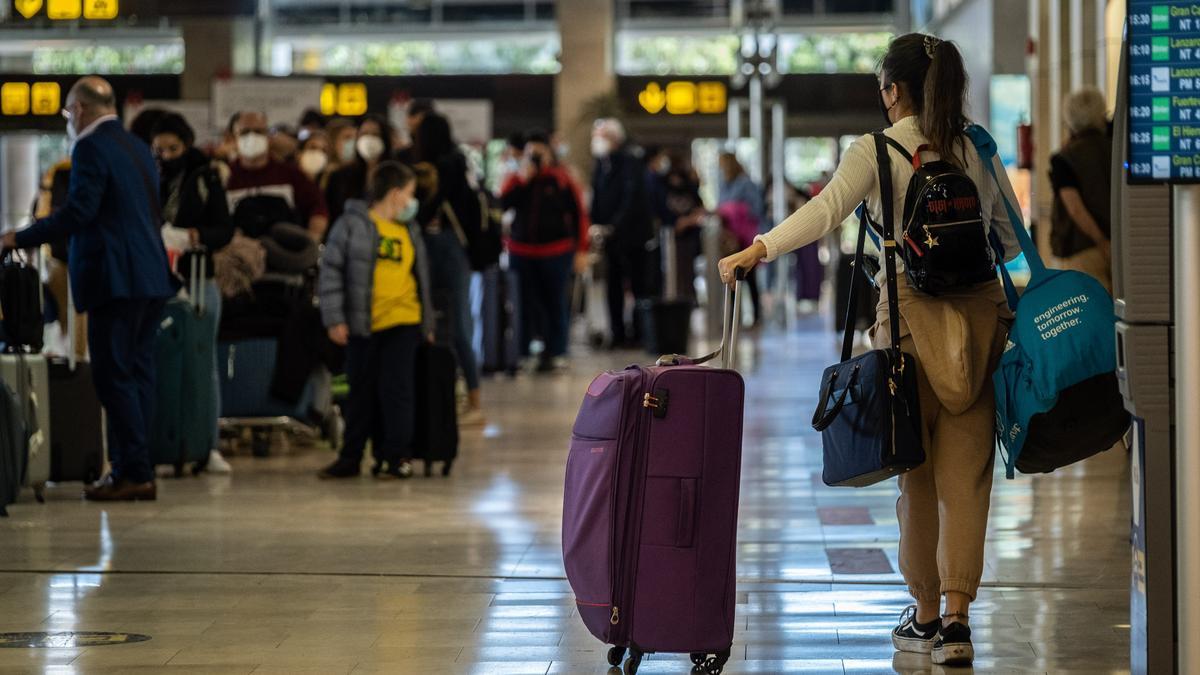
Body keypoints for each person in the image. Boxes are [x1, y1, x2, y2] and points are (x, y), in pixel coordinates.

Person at [718, 34, 1021, 668]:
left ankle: (926, 615)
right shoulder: (977, 147)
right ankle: (960, 624)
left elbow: (826, 212)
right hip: (981, 320)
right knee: (966, 482)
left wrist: (757, 251)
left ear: (893, 90)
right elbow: (1007, 239)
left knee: (916, 476)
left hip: (910, 325)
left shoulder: (879, 150)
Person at [1, 77, 176, 502]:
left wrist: (17, 238)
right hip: (150, 276)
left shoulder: (90, 147)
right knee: (138, 374)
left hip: (115, 278)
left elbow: (80, 211)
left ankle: (131, 471)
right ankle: (136, 467)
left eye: (67, 113)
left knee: (114, 376)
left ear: (78, 109)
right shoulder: (137, 146)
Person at [317, 161, 435, 480]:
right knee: (360, 392)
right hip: (362, 324)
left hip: (404, 320)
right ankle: (351, 456)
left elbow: (421, 278)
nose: (412, 201)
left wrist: (427, 325)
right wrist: (334, 319)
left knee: (398, 392)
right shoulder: (352, 224)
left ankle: (396, 456)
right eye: (410, 193)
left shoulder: (409, 229)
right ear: (395, 193)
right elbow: (331, 274)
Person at [151, 112, 236, 475]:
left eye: (173, 148)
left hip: (199, 279)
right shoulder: (150, 179)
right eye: (159, 149)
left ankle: (206, 443)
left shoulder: (205, 178)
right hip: (159, 281)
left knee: (204, 364)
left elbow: (224, 230)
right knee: (162, 363)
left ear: (186, 146)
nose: (166, 155)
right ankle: (165, 441)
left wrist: (192, 237)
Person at [411, 113, 486, 422]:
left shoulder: (446, 165)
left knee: (455, 325)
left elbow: (435, 203)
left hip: (444, 247)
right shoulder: (460, 160)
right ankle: (466, 396)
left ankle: (473, 400)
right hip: (455, 250)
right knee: (454, 323)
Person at [500, 130, 590, 372]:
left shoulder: (562, 179)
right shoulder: (517, 177)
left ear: (550, 154)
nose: (536, 158)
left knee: (555, 303)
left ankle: (557, 351)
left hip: (556, 252)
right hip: (521, 252)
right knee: (523, 305)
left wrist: (581, 250)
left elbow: (579, 214)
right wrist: (523, 179)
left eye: (540, 153)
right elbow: (502, 204)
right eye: (531, 153)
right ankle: (523, 352)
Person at [589, 118, 653, 349]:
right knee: (612, 287)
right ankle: (616, 333)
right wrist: (595, 224)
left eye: (602, 136)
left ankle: (638, 333)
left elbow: (631, 198)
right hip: (610, 240)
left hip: (632, 236)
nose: (597, 141)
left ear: (615, 139)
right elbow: (596, 197)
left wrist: (614, 225)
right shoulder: (601, 165)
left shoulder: (630, 162)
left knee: (637, 286)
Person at [225, 111, 329, 241]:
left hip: (283, 251)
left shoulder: (290, 174)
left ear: (268, 136)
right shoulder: (224, 177)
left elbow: (317, 207)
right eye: (245, 132)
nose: (252, 137)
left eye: (258, 132)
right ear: (234, 138)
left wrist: (312, 240)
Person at [1050, 87, 1113, 293]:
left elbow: (1075, 208)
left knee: (1093, 313)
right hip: (1122, 244)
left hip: (1084, 248)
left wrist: (1101, 241)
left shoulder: (1065, 158)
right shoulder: (1116, 147)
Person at [648, 150, 706, 303]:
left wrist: (688, 221)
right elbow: (657, 210)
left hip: (689, 238)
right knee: (670, 275)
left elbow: (700, 208)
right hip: (668, 238)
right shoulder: (659, 185)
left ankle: (690, 305)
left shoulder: (689, 185)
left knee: (688, 274)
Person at [717, 153, 765, 324]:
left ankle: (757, 316)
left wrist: (734, 210)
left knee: (749, 277)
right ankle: (731, 319)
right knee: (730, 277)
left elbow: (757, 209)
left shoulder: (746, 183)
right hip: (730, 237)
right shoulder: (723, 185)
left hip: (745, 237)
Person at [324, 114, 396, 228]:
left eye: (375, 134)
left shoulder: (396, 175)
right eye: (364, 134)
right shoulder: (339, 177)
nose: (368, 139)